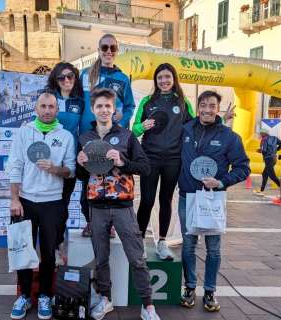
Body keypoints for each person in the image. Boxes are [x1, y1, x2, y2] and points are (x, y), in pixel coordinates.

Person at [77, 88, 160, 320]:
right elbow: (80, 177)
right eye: (99, 106)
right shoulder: (85, 138)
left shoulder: (126, 136)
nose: (104, 110)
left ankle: (148, 305)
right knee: (101, 258)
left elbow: (144, 167)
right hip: (96, 208)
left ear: (114, 111)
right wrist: (80, 164)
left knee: (136, 257)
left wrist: (122, 161)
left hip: (123, 207)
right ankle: (106, 299)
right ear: (93, 110)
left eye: (108, 106)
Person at [178, 91, 250, 312]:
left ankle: (209, 291)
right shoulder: (186, 129)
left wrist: (220, 182)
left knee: (213, 249)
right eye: (203, 105)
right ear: (197, 107)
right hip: (188, 197)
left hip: (213, 199)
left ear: (217, 109)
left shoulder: (229, 137)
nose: (207, 110)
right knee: (188, 247)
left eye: (212, 106)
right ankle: (189, 287)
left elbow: (243, 168)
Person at [7, 92, 75, 320]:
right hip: (25, 201)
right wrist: (15, 199)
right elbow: (15, 165)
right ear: (36, 109)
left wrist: (56, 169)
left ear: (57, 110)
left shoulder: (65, 136)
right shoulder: (24, 132)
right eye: (43, 106)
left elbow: (71, 170)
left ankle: (45, 295)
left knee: (48, 253)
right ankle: (25, 295)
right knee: (23, 252)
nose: (47, 110)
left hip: (52, 202)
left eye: (51, 107)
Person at [132, 63, 195, 261]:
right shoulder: (148, 101)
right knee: (147, 200)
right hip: (150, 158)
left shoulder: (183, 102)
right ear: (155, 80)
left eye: (167, 77)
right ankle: (139, 242)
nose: (164, 81)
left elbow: (195, 127)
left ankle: (161, 242)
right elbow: (133, 130)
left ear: (174, 79)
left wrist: (221, 120)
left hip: (173, 160)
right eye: (160, 78)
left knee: (166, 200)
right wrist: (142, 126)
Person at [78, 33, 136, 237]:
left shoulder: (122, 78)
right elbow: (77, 101)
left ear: (117, 51)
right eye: (105, 47)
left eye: (113, 48)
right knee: (88, 183)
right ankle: (91, 222)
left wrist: (121, 119)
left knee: (110, 182)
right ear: (99, 49)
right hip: (88, 136)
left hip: (111, 137)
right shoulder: (85, 74)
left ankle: (110, 225)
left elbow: (130, 105)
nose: (109, 51)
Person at [45, 62, 85, 259]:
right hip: (50, 159)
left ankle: (58, 242)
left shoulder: (80, 101)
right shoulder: (50, 100)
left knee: (63, 203)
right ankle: (48, 243)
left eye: (70, 76)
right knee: (49, 203)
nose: (66, 80)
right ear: (56, 80)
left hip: (70, 160)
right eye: (62, 77)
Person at [253, 128, 281, 195]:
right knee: (264, 174)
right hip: (274, 158)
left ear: (264, 133)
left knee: (272, 176)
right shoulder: (274, 138)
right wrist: (276, 150)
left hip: (268, 159)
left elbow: (264, 150)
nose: (260, 134)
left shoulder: (264, 139)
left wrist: (259, 150)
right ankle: (262, 190)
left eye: (261, 133)